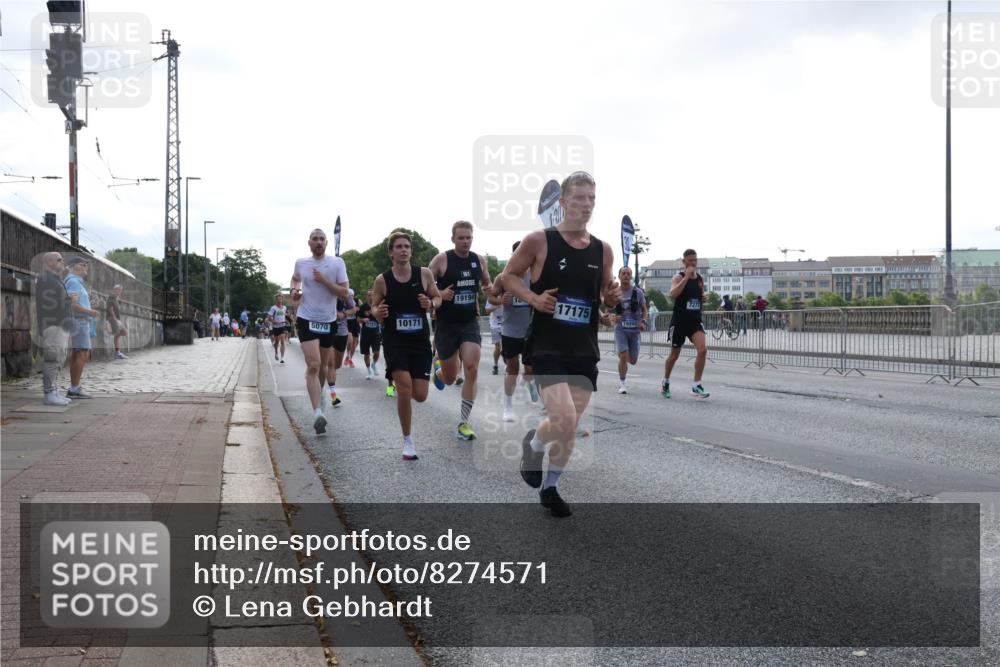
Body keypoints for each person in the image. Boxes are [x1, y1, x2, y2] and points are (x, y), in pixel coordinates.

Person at [500, 171, 619, 518]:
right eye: (579, 198)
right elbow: (507, 276)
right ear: (564, 202)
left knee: (570, 427)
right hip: (547, 346)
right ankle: (534, 444)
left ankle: (550, 488)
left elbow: (604, 296)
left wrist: (610, 298)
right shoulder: (540, 241)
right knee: (564, 418)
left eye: (591, 199)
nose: (586, 205)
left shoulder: (603, 249)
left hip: (584, 348)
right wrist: (534, 299)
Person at [370, 230, 442, 460]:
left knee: (420, 395)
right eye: (399, 247)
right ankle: (408, 441)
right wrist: (377, 311)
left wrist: (430, 302)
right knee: (403, 386)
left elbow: (438, 298)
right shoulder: (383, 280)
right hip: (395, 340)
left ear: (411, 251)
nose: (403, 250)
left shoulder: (424, 274)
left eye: (407, 247)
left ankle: (436, 367)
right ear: (391, 252)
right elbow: (374, 307)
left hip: (419, 340)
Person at [429, 221, 493, 441]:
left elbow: (487, 285)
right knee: (449, 378)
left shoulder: (478, 260)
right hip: (446, 324)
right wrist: (439, 292)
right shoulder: (441, 259)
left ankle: (463, 422)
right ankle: (438, 370)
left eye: (469, 237)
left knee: (472, 368)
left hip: (469, 322)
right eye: (461, 238)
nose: (465, 241)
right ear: (453, 239)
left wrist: (493, 291)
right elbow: (423, 284)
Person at [290, 228, 350, 434]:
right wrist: (294, 291)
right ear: (309, 243)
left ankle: (321, 394)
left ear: (326, 243)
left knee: (324, 366)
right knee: (314, 365)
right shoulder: (301, 263)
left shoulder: (336, 263)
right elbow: (295, 279)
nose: (318, 242)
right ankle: (317, 413)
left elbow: (344, 293)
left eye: (321, 239)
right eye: (314, 239)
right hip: (306, 319)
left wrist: (324, 280)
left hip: (328, 320)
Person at [493, 240, 538, 423]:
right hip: (510, 329)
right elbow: (490, 298)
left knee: (530, 369)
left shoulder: (536, 277)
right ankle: (508, 406)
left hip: (530, 331)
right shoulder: (503, 277)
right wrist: (500, 300)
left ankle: (527, 383)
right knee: (512, 368)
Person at [662, 249, 710, 399]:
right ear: (684, 262)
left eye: (695, 260)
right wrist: (687, 277)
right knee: (674, 355)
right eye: (690, 260)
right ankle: (666, 381)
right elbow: (673, 294)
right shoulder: (678, 277)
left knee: (702, 350)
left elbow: (696, 296)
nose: (693, 263)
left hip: (695, 321)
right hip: (680, 321)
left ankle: (696, 385)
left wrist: (703, 298)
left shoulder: (700, 279)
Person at [35, 252, 74, 406]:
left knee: (59, 358)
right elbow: (50, 302)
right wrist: (69, 299)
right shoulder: (46, 279)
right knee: (53, 358)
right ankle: (49, 393)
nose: (62, 261)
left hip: (60, 324)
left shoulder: (55, 279)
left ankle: (54, 391)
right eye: (59, 259)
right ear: (49, 261)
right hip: (53, 325)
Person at [64, 256, 99, 399]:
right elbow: (72, 305)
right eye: (83, 265)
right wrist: (91, 312)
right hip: (79, 322)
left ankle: (74, 387)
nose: (86, 268)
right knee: (82, 354)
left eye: (86, 265)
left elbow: (76, 303)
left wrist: (91, 305)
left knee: (77, 353)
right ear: (74, 266)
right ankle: (74, 389)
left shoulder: (76, 282)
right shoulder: (73, 282)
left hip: (79, 321)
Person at [613, 266, 647, 394]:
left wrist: (643, 322)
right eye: (624, 273)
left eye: (628, 274)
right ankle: (622, 383)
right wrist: (612, 316)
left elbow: (644, 309)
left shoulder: (638, 292)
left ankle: (623, 354)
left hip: (634, 331)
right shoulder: (615, 292)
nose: (626, 276)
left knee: (632, 361)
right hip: (621, 329)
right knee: (623, 356)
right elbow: (608, 307)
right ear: (620, 276)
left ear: (631, 276)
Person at [324, 289, 357, 407]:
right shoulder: (324, 291)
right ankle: (333, 395)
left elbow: (354, 309)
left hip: (342, 332)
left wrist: (343, 314)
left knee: (337, 365)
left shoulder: (345, 292)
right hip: (327, 331)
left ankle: (323, 373)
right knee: (331, 364)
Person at [357, 289, 385, 382]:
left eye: (372, 295)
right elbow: (358, 319)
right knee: (366, 353)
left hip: (376, 333)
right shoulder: (363, 307)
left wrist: (379, 319)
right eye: (369, 295)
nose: (370, 297)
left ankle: (374, 364)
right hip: (365, 333)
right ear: (366, 296)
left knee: (376, 352)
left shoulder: (377, 306)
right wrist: (363, 320)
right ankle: (369, 371)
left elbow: (383, 318)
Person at [105, 284, 129, 360]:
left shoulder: (115, 298)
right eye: (117, 289)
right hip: (113, 319)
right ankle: (117, 353)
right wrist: (115, 320)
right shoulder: (111, 298)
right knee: (123, 333)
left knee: (119, 334)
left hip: (116, 319)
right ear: (114, 290)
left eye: (120, 290)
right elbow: (110, 309)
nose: (119, 291)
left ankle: (117, 353)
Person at [268, 293, 290, 363]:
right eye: (278, 299)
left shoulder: (284, 307)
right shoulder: (273, 308)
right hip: (275, 327)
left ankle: (282, 358)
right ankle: (276, 353)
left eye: (280, 299)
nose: (279, 300)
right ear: (276, 300)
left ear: (282, 300)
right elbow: (269, 317)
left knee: (282, 341)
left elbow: (286, 314)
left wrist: (287, 317)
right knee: (277, 342)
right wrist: (273, 321)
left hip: (283, 326)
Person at [486, 299, 504, 375]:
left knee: (507, 347)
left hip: (506, 324)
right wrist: (497, 306)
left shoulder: (507, 294)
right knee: (498, 347)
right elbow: (487, 311)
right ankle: (495, 365)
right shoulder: (491, 297)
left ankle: (507, 366)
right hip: (495, 325)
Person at [345, 293, 361, 368]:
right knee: (350, 341)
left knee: (355, 343)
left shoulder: (357, 301)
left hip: (355, 325)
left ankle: (350, 358)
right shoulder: (344, 301)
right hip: (347, 324)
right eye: (349, 295)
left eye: (351, 295)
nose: (350, 297)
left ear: (354, 296)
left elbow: (363, 309)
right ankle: (348, 354)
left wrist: (359, 308)